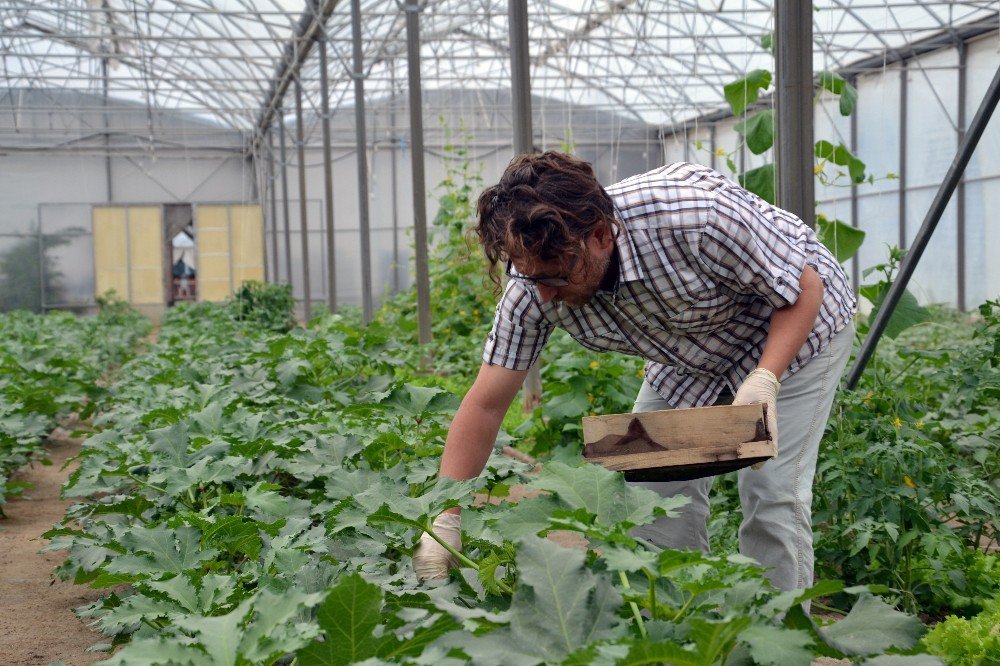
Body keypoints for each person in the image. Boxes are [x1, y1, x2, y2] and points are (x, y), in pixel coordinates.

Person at [412, 151, 857, 593]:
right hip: (687, 354)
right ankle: (675, 617)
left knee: (770, 490)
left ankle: (776, 636)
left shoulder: (693, 217)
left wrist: (764, 380)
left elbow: (803, 288)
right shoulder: (532, 285)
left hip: (794, 327)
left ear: (602, 235)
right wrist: (445, 516)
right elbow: (487, 405)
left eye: (556, 277)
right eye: (531, 278)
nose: (543, 296)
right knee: (648, 482)